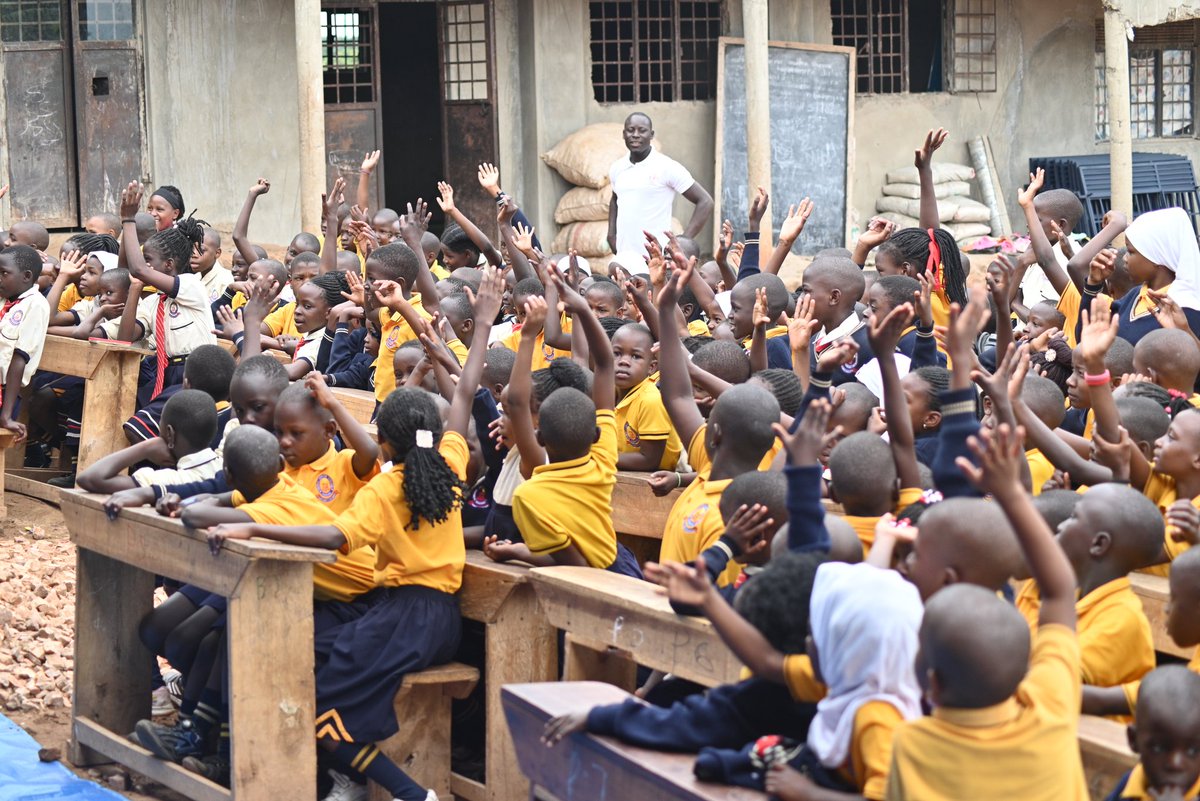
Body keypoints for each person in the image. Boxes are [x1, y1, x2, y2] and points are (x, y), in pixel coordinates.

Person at [203, 266, 499, 801]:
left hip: (405, 615)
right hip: (433, 616)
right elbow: (464, 398)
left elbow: (331, 539)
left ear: (385, 442)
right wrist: (475, 331)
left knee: (325, 709)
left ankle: (408, 793)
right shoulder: (449, 462)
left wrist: (248, 522)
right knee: (307, 643)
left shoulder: (386, 490)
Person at [886, 423, 1088, 800]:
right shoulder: (1051, 706)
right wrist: (1011, 494)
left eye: (915, 553)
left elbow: (1056, 592)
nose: (906, 561)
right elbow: (1060, 591)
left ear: (934, 685)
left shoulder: (913, 745)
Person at [483, 272, 640, 576]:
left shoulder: (535, 482)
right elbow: (605, 364)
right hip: (620, 567)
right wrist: (581, 308)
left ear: (539, 435)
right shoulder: (603, 458)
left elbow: (575, 565)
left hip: (593, 582)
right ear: (594, 432)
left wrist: (528, 335)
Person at [112, 181, 216, 415]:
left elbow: (138, 269)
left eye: (149, 259)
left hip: (195, 373)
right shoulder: (153, 303)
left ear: (169, 265)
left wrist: (128, 219)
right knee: (127, 410)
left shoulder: (191, 286)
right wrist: (135, 290)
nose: (144, 265)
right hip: (166, 373)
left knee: (143, 423)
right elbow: (124, 338)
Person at [606, 112, 713, 257]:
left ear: (651, 135)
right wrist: (611, 235)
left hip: (656, 256)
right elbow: (615, 199)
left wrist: (682, 242)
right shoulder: (617, 168)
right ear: (624, 134)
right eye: (631, 130)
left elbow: (705, 201)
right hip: (624, 256)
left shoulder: (666, 167)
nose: (635, 135)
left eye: (642, 130)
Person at [76, 389, 219, 494]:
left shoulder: (168, 481)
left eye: (159, 430)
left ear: (169, 434)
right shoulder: (226, 469)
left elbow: (88, 478)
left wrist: (146, 448)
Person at [1103, 666, 1200, 801]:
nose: (1175, 763)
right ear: (1133, 740)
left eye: (1192, 751)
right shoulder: (1129, 786)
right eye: (1159, 748)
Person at [0, 244, 51, 442]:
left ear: (27, 276)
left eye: (4, 273)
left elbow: (19, 359)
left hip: (4, 393)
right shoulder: (5, 300)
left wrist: (6, 414)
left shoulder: (35, 305)